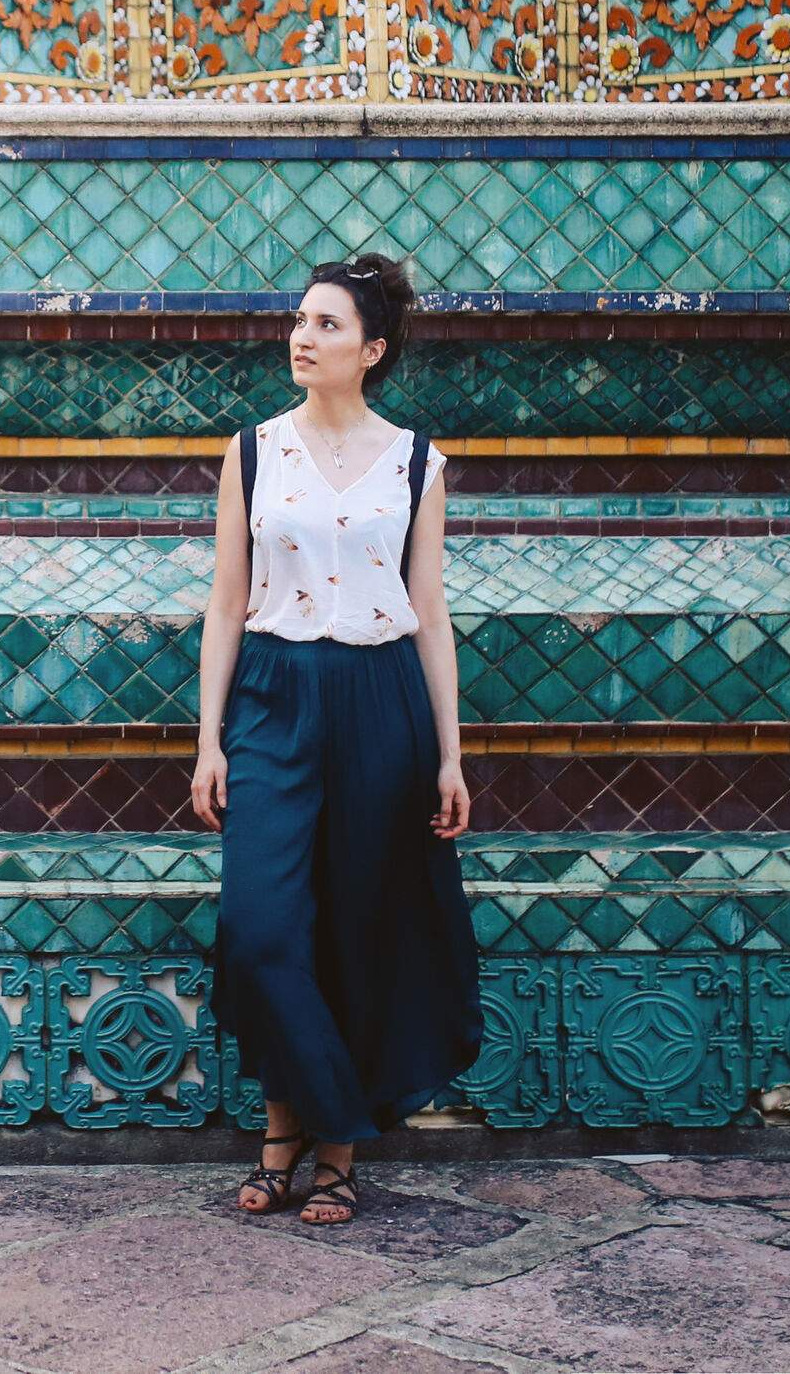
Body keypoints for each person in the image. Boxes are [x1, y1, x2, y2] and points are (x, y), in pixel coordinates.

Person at [194, 251, 482, 1228]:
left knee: (354, 933)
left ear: (372, 349)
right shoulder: (251, 451)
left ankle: (324, 1152)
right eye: (300, 320)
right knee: (263, 928)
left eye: (325, 325)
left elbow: (432, 611)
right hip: (273, 695)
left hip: (380, 697)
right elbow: (226, 602)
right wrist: (209, 740)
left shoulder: (415, 461)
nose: (302, 337)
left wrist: (449, 753)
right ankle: (318, 1120)